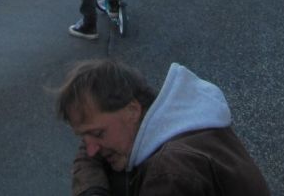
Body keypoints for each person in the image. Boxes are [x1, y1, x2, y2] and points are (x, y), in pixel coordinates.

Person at [58, 59, 271, 195]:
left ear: (132, 110)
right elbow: (88, 151)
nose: (92, 147)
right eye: (85, 136)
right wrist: (92, 190)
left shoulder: (169, 174)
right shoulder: (169, 117)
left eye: (98, 134)